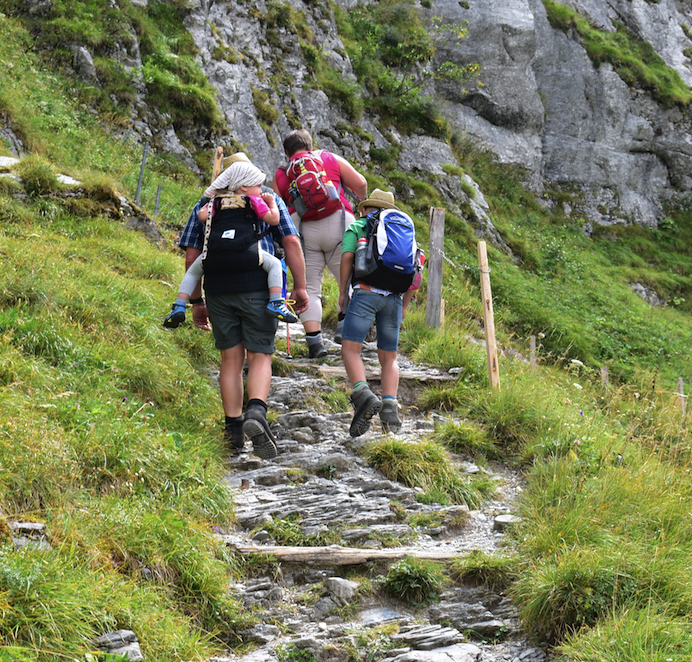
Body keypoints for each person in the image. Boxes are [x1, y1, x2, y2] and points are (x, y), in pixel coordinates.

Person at [177, 152, 308, 458]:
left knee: (230, 360)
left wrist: (197, 301)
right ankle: (257, 414)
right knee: (260, 354)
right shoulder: (266, 198)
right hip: (258, 285)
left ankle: (233, 432)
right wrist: (300, 287)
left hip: (219, 288)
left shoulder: (206, 206)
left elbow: (191, 256)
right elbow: (290, 242)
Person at [163, 161, 298, 328]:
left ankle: (179, 305)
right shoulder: (254, 201)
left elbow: (202, 216)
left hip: (215, 254)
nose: (261, 189)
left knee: (192, 273)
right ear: (243, 187)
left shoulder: (217, 202)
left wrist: (212, 200)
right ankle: (276, 302)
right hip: (248, 253)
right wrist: (271, 203)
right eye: (258, 185)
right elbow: (273, 219)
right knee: (275, 265)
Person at [271, 129, 368, 358]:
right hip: (340, 222)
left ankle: (315, 344)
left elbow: (276, 205)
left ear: (287, 152)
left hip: (303, 228)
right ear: (310, 145)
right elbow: (360, 183)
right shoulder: (327, 157)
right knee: (349, 281)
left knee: (310, 287)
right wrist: (361, 202)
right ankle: (346, 330)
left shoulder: (282, 173)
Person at [338, 189, 421, 437]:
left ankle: (363, 393)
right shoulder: (404, 231)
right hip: (394, 298)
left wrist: (343, 292)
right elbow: (416, 274)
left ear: (365, 209)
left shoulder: (359, 226)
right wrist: (404, 305)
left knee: (350, 349)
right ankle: (390, 412)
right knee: (390, 358)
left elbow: (347, 258)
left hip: (365, 293)